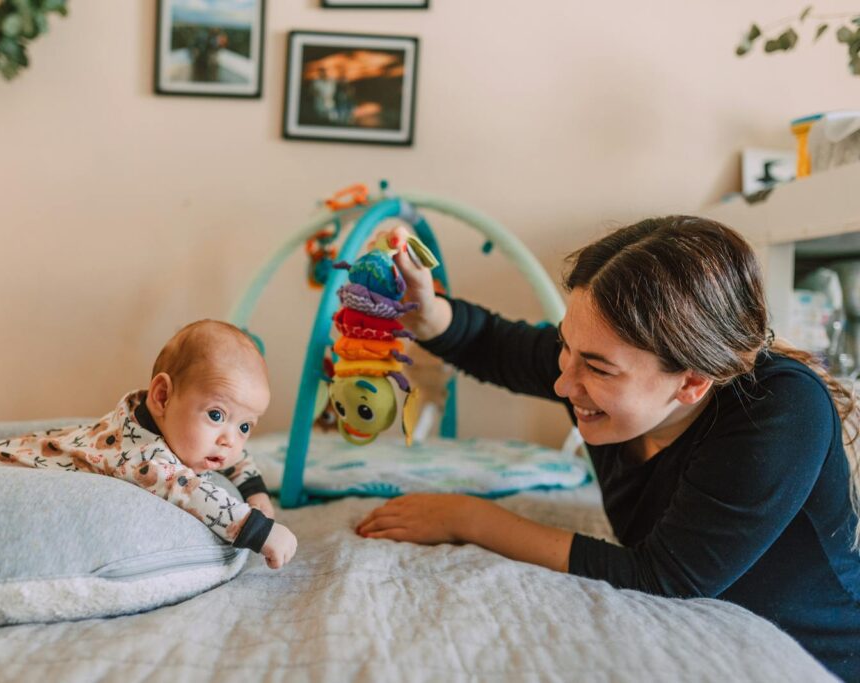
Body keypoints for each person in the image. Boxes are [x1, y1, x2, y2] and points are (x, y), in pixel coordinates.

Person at [356, 217, 860, 679]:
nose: (562, 383)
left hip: (823, 658)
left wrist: (469, 518)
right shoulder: (601, 366)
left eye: (597, 369)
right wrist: (424, 312)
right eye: (566, 349)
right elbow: (495, 344)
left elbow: (663, 576)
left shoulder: (781, 410)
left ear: (692, 382)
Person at [0, 320, 297, 570]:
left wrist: (255, 490)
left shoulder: (179, 429)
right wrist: (261, 531)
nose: (230, 439)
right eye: (217, 415)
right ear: (162, 397)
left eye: (246, 425)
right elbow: (188, 490)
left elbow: (230, 454)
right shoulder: (143, 454)